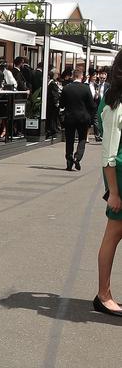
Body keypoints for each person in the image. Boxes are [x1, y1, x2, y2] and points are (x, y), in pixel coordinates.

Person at [94, 52, 122, 317]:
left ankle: (105, 294)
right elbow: (109, 154)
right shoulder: (115, 103)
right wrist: (113, 191)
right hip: (121, 178)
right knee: (113, 234)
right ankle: (104, 295)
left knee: (114, 234)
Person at [60, 68, 96, 171]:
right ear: (81, 76)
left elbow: (61, 104)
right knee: (82, 139)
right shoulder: (86, 88)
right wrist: (90, 114)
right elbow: (92, 105)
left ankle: (69, 160)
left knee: (69, 139)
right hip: (83, 118)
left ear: (73, 76)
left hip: (70, 117)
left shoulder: (66, 88)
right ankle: (77, 157)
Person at [46, 68, 61, 139]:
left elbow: (54, 94)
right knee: (52, 118)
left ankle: (51, 131)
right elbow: (55, 94)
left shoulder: (51, 83)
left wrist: (56, 102)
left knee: (52, 118)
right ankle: (52, 131)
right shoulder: (52, 84)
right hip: (51, 105)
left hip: (50, 105)